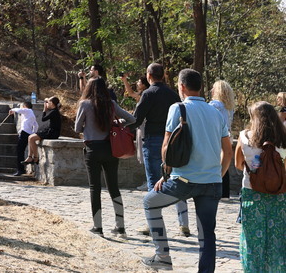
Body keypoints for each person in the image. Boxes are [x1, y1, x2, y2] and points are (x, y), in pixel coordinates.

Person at [141, 69, 232, 271]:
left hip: (183, 181)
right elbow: (227, 150)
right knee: (207, 234)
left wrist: (165, 176)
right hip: (211, 182)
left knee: (149, 202)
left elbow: (166, 147)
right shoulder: (217, 113)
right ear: (200, 87)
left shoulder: (178, 108)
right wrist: (219, 174)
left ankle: (162, 256)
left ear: (182, 87)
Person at [127, 63, 189, 237]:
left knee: (154, 181)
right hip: (172, 142)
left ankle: (153, 224)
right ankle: (183, 224)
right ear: (163, 76)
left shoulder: (148, 94)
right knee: (177, 179)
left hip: (154, 140)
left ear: (149, 76)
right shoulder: (173, 95)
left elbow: (136, 119)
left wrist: (122, 127)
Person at [75, 77, 133, 236]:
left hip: (93, 149)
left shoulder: (85, 104)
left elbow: (77, 127)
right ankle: (120, 227)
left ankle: (98, 227)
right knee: (114, 187)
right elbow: (131, 119)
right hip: (110, 149)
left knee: (95, 188)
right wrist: (117, 123)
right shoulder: (111, 105)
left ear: (88, 88)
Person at [234, 101, 286, 273]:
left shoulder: (244, 137)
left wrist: (257, 168)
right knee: (278, 240)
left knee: (252, 241)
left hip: (252, 192)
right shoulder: (283, 140)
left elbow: (238, 164)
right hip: (279, 194)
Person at [208, 79, 236, 199]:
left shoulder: (214, 105)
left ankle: (215, 190)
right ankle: (225, 192)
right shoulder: (229, 108)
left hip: (217, 137)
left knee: (215, 164)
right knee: (225, 164)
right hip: (227, 136)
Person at [23, 96, 61, 167]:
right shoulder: (54, 109)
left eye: (48, 103)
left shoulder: (54, 112)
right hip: (50, 131)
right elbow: (46, 99)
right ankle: (30, 157)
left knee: (31, 138)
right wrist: (46, 100)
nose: (47, 104)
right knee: (30, 137)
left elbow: (43, 119)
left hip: (53, 133)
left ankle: (35, 158)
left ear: (52, 103)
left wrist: (44, 109)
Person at [8, 100, 38, 176]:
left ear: (25, 106)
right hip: (27, 133)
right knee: (20, 150)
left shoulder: (28, 111)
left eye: (22, 106)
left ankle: (20, 170)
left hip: (25, 133)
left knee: (20, 150)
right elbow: (36, 125)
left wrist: (12, 110)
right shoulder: (31, 113)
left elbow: (19, 110)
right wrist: (33, 132)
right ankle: (21, 169)